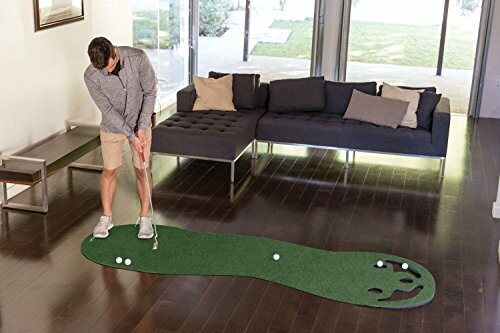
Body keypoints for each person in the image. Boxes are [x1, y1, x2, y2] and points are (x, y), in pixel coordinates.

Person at [84, 37, 157, 239]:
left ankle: (144, 218)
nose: (107, 72)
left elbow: (150, 92)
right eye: (103, 71)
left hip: (139, 121)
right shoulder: (91, 75)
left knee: (142, 170)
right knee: (109, 170)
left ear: (115, 53)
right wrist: (128, 134)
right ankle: (106, 217)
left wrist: (141, 127)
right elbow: (106, 109)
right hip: (112, 125)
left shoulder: (138, 58)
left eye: (111, 67)